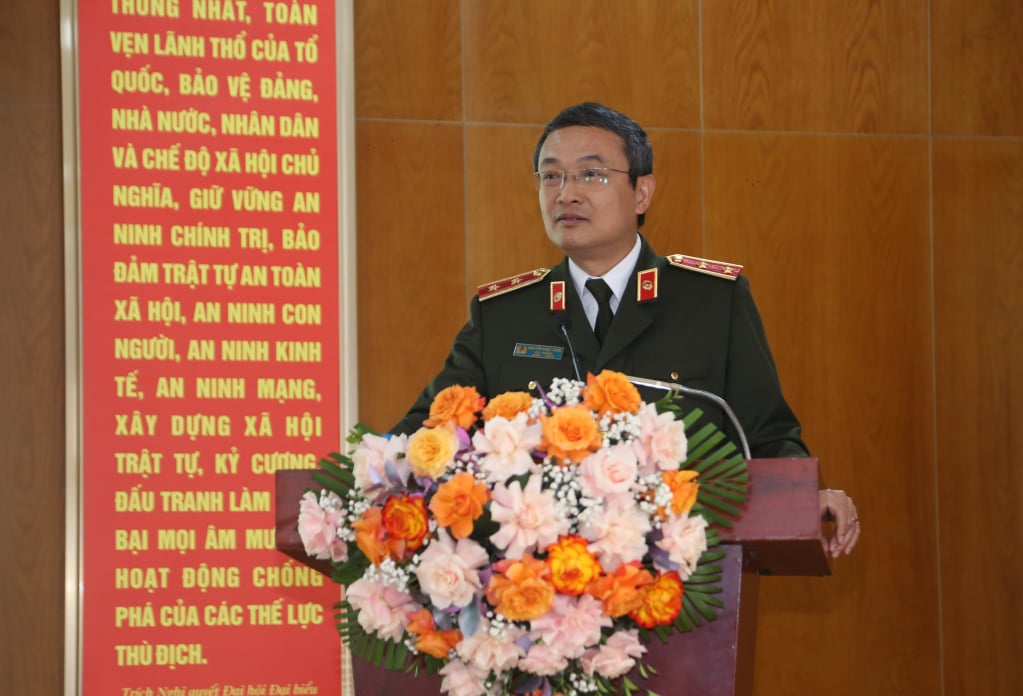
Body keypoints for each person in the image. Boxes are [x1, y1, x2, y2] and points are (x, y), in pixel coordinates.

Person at [391, 101, 860, 557]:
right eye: (551, 176)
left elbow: (765, 435)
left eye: (591, 174)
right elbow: (428, 431)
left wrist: (805, 497)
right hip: (534, 587)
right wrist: (372, 476)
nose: (566, 192)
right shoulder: (504, 315)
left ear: (642, 192)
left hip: (681, 583)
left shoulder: (711, 301)